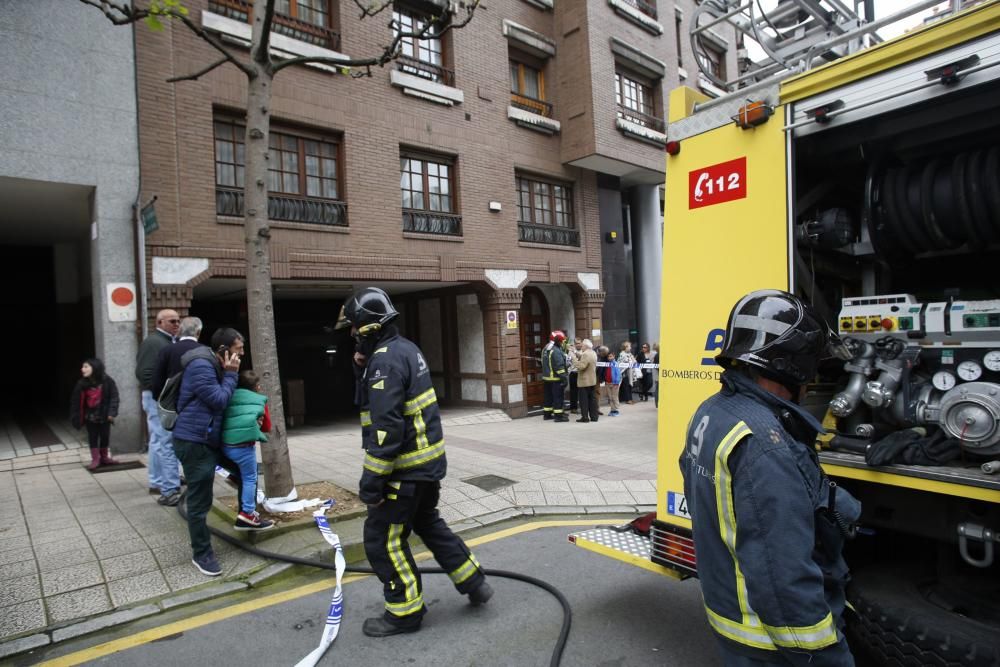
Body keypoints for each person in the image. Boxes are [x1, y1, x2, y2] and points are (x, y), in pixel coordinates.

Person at [680, 289, 860, 666]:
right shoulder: (767, 444)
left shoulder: (712, 411)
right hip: (767, 644)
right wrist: (828, 655)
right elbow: (783, 574)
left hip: (731, 617)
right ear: (792, 366)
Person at [336, 287, 492, 638]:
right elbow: (373, 401)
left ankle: (404, 613)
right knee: (429, 523)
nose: (351, 334)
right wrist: (360, 364)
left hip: (403, 472)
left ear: (368, 327)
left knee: (382, 540)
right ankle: (474, 581)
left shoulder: (384, 362)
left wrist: (370, 484)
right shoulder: (404, 349)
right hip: (427, 468)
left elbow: (385, 429)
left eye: (354, 327)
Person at [172, 327, 243, 577]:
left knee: (245, 472)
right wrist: (231, 374)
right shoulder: (202, 365)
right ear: (223, 351)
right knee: (200, 502)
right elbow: (219, 399)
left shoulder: (213, 364)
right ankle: (201, 554)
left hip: (208, 439)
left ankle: (247, 517)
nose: (240, 355)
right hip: (194, 441)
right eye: (238, 350)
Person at [135, 309, 181, 499]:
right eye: (172, 321)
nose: (177, 324)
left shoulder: (166, 341)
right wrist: (161, 394)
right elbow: (144, 373)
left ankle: (158, 480)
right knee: (162, 440)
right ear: (160, 323)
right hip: (157, 397)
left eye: (178, 321)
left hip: (158, 396)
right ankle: (162, 482)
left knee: (158, 440)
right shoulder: (154, 342)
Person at [221, 370, 274, 532]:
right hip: (244, 448)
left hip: (224, 445)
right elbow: (266, 427)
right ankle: (247, 514)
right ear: (257, 387)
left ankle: (234, 476)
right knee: (250, 478)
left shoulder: (228, 395)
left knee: (240, 472)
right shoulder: (259, 400)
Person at [70, 358, 120, 471]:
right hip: (90, 417)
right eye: (83, 367)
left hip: (105, 415)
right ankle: (95, 459)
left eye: (86, 366)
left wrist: (112, 413)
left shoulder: (107, 381)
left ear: (95, 368)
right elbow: (75, 402)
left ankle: (104, 457)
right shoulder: (81, 384)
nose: (82, 369)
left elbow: (114, 397)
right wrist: (76, 417)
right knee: (93, 437)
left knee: (105, 436)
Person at [541, 330, 569, 422]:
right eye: (562, 341)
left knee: (548, 397)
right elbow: (559, 366)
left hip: (546, 378)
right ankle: (558, 416)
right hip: (556, 379)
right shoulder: (556, 351)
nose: (562, 343)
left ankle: (547, 414)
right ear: (558, 340)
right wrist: (564, 378)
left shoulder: (546, 348)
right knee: (558, 398)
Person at [574, 339, 599, 422]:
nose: (581, 347)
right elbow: (584, 357)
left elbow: (581, 366)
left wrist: (573, 359)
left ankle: (585, 417)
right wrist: (575, 352)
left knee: (584, 400)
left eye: (582, 345)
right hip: (592, 380)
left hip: (584, 381)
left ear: (585, 346)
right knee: (592, 400)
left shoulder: (585, 354)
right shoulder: (593, 352)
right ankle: (594, 417)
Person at [602, 348, 622, 416]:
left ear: (614, 356)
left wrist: (616, 383)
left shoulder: (616, 364)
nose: (609, 358)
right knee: (610, 397)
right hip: (607, 383)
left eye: (611, 356)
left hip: (614, 383)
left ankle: (616, 409)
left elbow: (618, 374)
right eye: (608, 356)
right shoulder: (606, 364)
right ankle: (612, 410)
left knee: (614, 397)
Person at [567, 338, 582, 413]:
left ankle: (583, 407)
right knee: (573, 392)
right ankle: (573, 408)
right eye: (576, 343)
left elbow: (582, 357)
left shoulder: (583, 350)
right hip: (573, 373)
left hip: (581, 373)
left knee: (582, 391)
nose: (578, 345)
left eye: (579, 343)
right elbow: (570, 361)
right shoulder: (570, 352)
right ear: (574, 344)